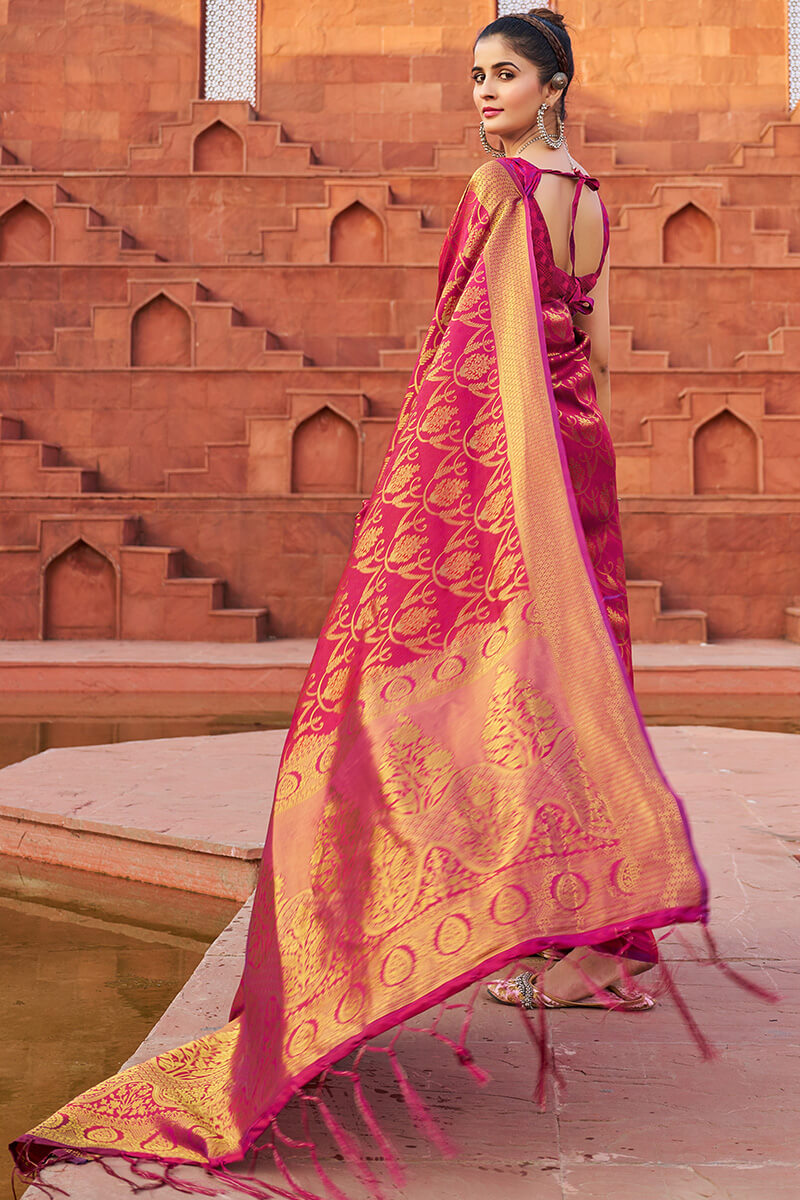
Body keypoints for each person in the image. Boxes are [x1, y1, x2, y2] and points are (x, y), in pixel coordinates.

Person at [12, 9, 708, 1196]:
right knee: (575, 674)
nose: (480, 94)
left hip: (506, 467)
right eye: (473, 76)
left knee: (476, 685)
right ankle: (597, 940)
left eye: (501, 75)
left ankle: (501, 917)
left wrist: (430, 505)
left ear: (552, 85)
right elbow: (591, 340)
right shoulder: (588, 197)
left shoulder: (499, 189)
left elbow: (458, 351)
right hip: (573, 454)